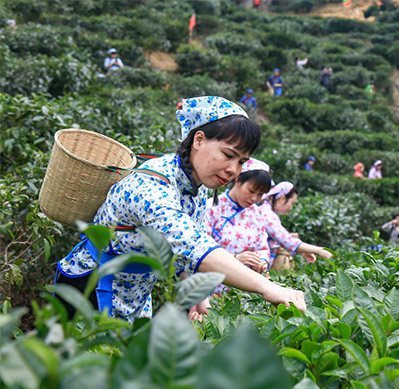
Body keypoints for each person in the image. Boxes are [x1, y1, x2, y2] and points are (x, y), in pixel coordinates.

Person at [55, 96, 305, 323]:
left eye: (241, 162)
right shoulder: (153, 184)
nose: (234, 170)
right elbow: (193, 245)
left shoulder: (198, 186)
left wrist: (200, 299)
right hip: (90, 286)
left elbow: (185, 256)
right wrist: (267, 287)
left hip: (135, 294)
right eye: (228, 155)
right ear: (199, 140)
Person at [204, 158, 272, 290]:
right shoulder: (211, 208)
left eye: (260, 194)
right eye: (251, 191)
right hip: (213, 288)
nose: (255, 198)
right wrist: (235, 258)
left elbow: (263, 248)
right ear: (238, 181)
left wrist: (262, 262)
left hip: (246, 289)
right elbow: (199, 251)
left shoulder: (256, 213)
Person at [259, 182, 333, 269]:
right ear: (282, 198)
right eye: (292, 203)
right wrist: (319, 250)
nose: (291, 207)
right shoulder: (267, 215)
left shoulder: (269, 212)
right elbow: (287, 241)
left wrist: (303, 251)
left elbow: (278, 239)